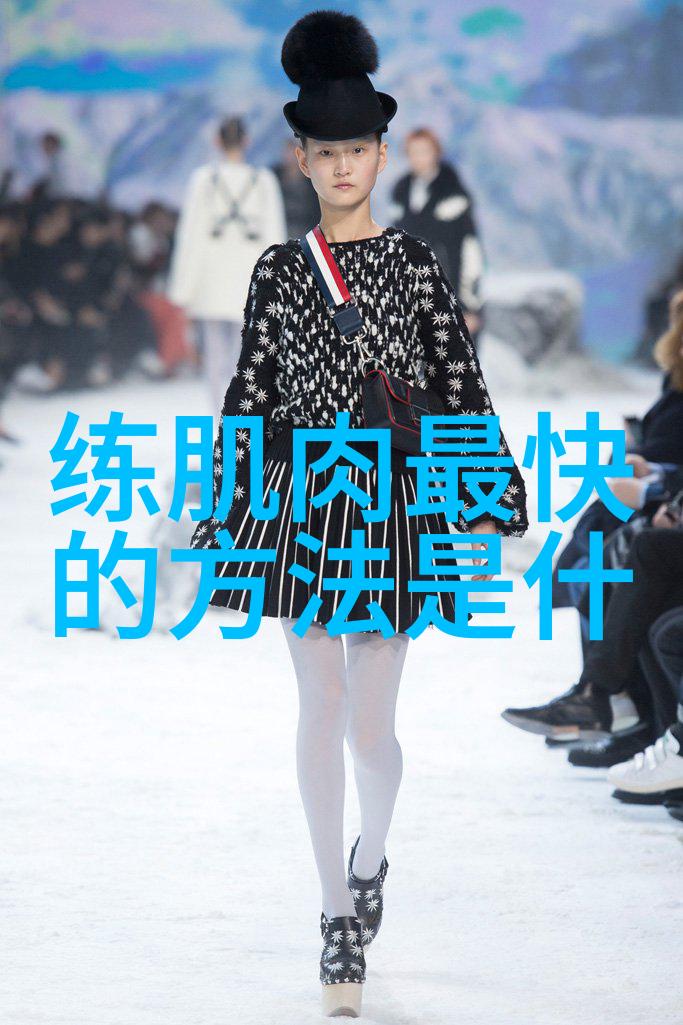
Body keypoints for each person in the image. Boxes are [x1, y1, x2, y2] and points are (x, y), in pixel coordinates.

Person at [189, 10, 529, 1018]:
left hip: (388, 507)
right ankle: (335, 912)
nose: (341, 166)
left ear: (380, 154)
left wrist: (489, 500)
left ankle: (370, 857)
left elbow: (460, 388)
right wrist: (227, 500)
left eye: (356, 149)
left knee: (372, 726)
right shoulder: (277, 270)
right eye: (324, 151)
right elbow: (249, 393)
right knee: (320, 706)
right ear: (300, 158)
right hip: (305, 501)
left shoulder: (416, 263)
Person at [167, 115, 287, 415]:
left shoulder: (203, 179)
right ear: (246, 141)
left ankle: (219, 420)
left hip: (212, 275)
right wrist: (277, 284)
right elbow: (275, 235)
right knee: (247, 354)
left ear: (217, 141)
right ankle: (239, 420)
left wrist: (182, 289)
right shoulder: (263, 180)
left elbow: (190, 234)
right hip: (249, 274)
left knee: (215, 355)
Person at [389, 127, 485, 348]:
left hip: (452, 295)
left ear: (436, 152)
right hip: (413, 300)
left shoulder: (453, 192)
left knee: (456, 362)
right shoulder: (400, 192)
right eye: (413, 152)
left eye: (424, 151)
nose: (418, 158)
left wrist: (470, 306)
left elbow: (470, 250)